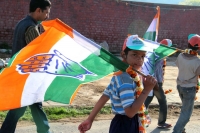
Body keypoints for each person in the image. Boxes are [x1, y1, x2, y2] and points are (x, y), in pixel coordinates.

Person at [78, 35, 157, 133]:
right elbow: (130, 112)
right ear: (124, 55)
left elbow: (105, 96)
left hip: (122, 124)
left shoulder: (123, 75)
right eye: (135, 55)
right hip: (126, 126)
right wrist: (146, 90)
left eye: (142, 56)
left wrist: (90, 119)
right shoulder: (126, 79)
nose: (139, 59)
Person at [0, 0, 51, 133]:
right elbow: (37, 54)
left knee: (32, 107)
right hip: (29, 77)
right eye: (46, 12)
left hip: (21, 74)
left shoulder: (21, 23)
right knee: (21, 109)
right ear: (38, 10)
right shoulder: (31, 28)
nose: (47, 16)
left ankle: (45, 130)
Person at [172, 34, 200, 133]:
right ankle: (177, 130)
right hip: (189, 89)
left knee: (185, 109)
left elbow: (179, 65)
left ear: (188, 44)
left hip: (180, 86)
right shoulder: (197, 62)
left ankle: (181, 129)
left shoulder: (180, 56)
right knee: (186, 114)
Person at [144, 39, 172, 129]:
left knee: (146, 101)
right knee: (163, 101)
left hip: (151, 82)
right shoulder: (159, 57)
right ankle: (161, 122)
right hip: (155, 83)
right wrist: (157, 84)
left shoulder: (156, 54)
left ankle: (141, 120)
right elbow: (155, 70)